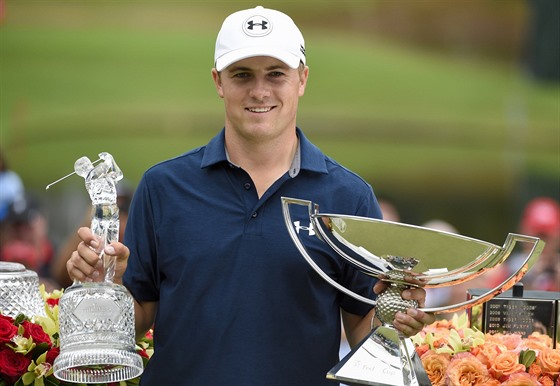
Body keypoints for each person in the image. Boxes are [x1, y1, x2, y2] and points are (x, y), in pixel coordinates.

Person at [65, 6, 434, 386]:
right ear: (218, 81)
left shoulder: (349, 196)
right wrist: (104, 283)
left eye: (276, 74)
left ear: (302, 79)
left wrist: (395, 319)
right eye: (242, 75)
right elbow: (140, 316)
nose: (260, 91)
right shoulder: (164, 186)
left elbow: (360, 326)